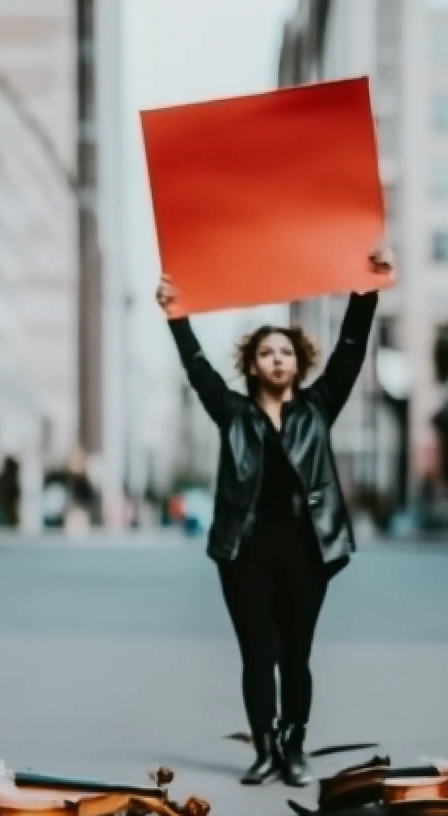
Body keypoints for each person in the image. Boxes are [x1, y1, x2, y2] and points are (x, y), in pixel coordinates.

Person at [156, 246, 394, 786]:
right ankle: (264, 749)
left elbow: (351, 350)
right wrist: (176, 317)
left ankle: (296, 747)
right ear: (253, 365)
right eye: (267, 353)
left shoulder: (318, 406)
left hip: (307, 552)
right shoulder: (233, 414)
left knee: (297, 655)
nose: (277, 359)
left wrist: (367, 289)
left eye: (285, 351)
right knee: (257, 655)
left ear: (297, 361)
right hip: (245, 553)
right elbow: (197, 370)